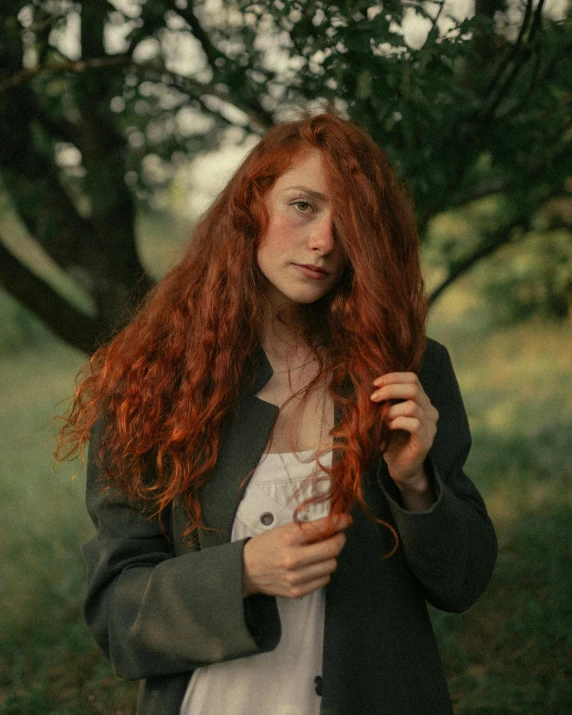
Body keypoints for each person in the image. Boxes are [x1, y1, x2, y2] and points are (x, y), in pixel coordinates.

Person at [57, 113, 497, 715]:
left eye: (351, 222)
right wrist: (242, 573)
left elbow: (463, 581)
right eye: (303, 206)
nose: (324, 241)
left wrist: (416, 484)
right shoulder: (153, 379)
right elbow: (116, 615)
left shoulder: (408, 369)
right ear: (251, 205)